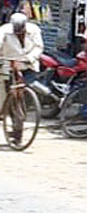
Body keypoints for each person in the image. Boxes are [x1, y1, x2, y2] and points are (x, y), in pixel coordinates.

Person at [0, 13, 43, 142]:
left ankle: (22, 116)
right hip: (9, 64)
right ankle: (17, 131)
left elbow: (38, 47)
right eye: (16, 31)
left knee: (25, 95)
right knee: (13, 98)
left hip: (28, 65)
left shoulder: (34, 30)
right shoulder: (4, 30)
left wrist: (28, 59)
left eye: (21, 31)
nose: (19, 34)